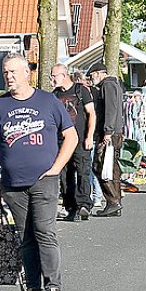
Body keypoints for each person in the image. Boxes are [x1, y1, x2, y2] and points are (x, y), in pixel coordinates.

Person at [0, 52, 77, 291]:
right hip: (13, 184)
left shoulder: (48, 101)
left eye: (13, 72)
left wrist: (57, 167)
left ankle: (54, 290)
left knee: (44, 232)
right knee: (25, 237)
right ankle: (33, 290)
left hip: (44, 180)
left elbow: (70, 137)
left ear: (28, 73)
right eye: (5, 72)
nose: (9, 77)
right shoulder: (0, 106)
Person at [50, 63, 95, 221]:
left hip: (81, 139)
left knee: (83, 171)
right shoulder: (54, 95)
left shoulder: (81, 90)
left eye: (54, 76)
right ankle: (71, 207)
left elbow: (91, 114)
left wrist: (89, 136)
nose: (52, 80)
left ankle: (84, 205)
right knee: (64, 175)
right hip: (61, 141)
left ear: (63, 75)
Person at [88, 63, 126, 217]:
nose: (91, 79)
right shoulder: (112, 85)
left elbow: (111, 109)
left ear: (99, 73)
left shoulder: (107, 86)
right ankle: (115, 201)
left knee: (100, 166)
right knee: (112, 167)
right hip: (114, 132)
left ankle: (112, 201)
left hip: (110, 133)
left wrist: (107, 131)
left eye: (92, 76)